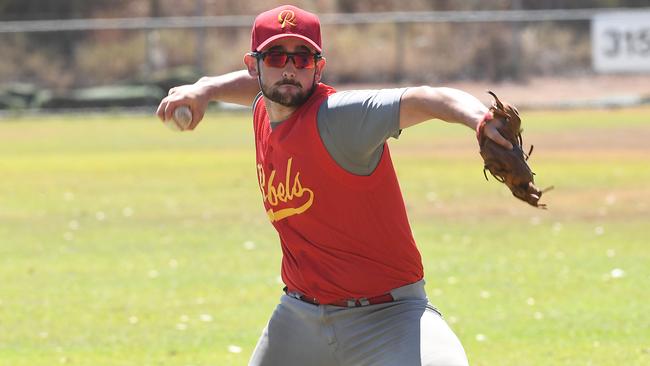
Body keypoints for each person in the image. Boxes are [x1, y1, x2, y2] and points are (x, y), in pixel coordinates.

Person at [156, 5, 512, 366]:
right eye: (277, 56)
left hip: (388, 318)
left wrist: (480, 120)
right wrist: (203, 88)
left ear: (319, 67)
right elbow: (260, 89)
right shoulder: (264, 108)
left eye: (304, 58)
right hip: (299, 319)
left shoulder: (341, 116)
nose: (290, 68)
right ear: (254, 65)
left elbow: (426, 97)